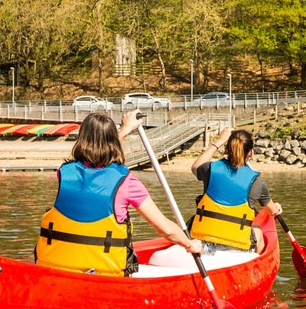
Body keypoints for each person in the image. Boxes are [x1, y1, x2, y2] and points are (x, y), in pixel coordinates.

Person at [36, 111, 201, 275]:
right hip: (103, 274)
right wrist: (190, 244)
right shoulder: (127, 182)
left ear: (81, 138)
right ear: (112, 142)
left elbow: (97, 160)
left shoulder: (64, 172)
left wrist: (125, 129)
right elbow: (166, 229)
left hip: (53, 267)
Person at [188, 126, 281, 255]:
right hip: (237, 247)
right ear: (251, 153)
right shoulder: (257, 183)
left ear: (226, 149)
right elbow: (272, 211)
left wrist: (220, 140)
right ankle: (252, 264)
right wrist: (277, 208)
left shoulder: (209, 170)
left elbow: (195, 167)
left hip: (201, 242)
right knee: (258, 232)